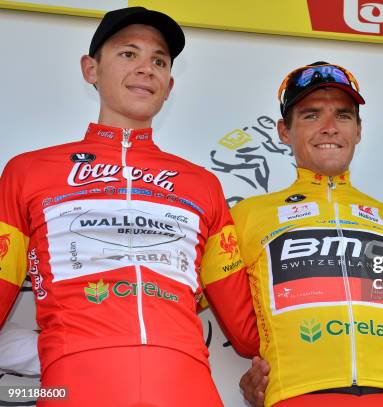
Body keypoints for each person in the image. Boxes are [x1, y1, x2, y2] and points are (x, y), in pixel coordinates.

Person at [0, 7, 258, 406]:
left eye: (158, 60)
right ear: (91, 69)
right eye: (127, 54)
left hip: (186, 383)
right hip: (75, 381)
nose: (145, 68)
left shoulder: (202, 185)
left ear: (169, 85)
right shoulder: (29, 172)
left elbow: (246, 332)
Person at [231, 61, 383, 407]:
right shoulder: (248, 216)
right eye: (312, 115)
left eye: (344, 116)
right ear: (284, 132)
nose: (330, 128)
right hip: (297, 396)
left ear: (359, 130)